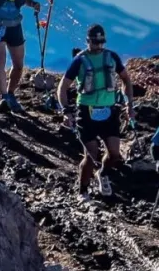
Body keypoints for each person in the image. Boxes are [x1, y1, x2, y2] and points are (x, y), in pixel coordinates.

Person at [56, 24, 136, 200]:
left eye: (101, 42)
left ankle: (103, 174)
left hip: (109, 111)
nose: (98, 45)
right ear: (88, 41)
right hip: (86, 112)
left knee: (115, 155)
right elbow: (62, 87)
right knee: (91, 156)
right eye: (95, 42)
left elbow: (126, 80)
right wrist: (66, 110)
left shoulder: (111, 57)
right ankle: (83, 191)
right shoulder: (79, 61)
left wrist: (129, 104)